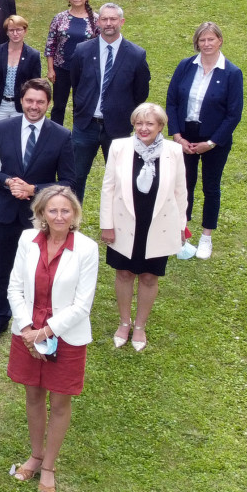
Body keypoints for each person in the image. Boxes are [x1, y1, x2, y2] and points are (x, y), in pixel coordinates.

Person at [6, 185, 99, 492]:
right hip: (27, 332)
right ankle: (35, 454)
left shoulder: (87, 249)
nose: (59, 216)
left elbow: (82, 305)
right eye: (53, 210)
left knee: (59, 402)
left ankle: (49, 466)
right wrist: (27, 328)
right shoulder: (26, 241)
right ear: (42, 213)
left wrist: (44, 332)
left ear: (74, 214)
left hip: (66, 337)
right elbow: (14, 288)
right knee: (33, 396)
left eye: (66, 210)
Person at [0, 78, 76, 344]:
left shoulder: (61, 135)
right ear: (21, 101)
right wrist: (8, 182)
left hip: (39, 215)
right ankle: (0, 318)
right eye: (30, 101)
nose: (34, 106)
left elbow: (67, 181)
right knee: (4, 268)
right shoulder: (4, 128)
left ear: (48, 104)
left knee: (38, 270)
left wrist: (34, 189)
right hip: (6, 211)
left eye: (40, 102)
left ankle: (37, 320)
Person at [100, 103, 187, 352]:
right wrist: (107, 225)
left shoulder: (174, 151)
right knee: (124, 273)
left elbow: (181, 192)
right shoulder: (119, 147)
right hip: (124, 222)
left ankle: (140, 326)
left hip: (158, 224)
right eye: (139, 123)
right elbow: (108, 188)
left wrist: (181, 226)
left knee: (149, 277)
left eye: (150, 123)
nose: (143, 128)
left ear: (161, 126)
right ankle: (124, 322)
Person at [165, 22, 243, 260]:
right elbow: (172, 101)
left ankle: (206, 237)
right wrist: (177, 136)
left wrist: (211, 143)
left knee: (211, 187)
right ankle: (181, 236)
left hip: (214, 141)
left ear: (220, 41)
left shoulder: (231, 73)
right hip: (185, 137)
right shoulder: (186, 66)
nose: (206, 44)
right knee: (183, 186)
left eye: (211, 39)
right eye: (202, 40)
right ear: (196, 42)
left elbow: (233, 114)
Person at [68, 3, 150, 201]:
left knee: (120, 177)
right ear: (98, 22)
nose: (108, 23)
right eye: (104, 19)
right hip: (85, 125)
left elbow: (141, 92)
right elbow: (76, 84)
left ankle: (117, 223)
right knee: (75, 176)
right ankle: (71, 224)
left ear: (121, 21)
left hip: (118, 128)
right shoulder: (83, 50)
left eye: (113, 19)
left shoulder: (136, 55)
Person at [44, 0, 99, 126]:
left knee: (79, 105)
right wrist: (50, 69)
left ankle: (78, 138)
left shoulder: (96, 19)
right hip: (61, 68)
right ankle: (55, 135)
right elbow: (51, 44)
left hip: (85, 70)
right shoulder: (59, 18)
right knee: (58, 106)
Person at [0, 15, 42, 137]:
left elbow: (35, 85)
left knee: (18, 140)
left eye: (19, 29)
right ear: (7, 32)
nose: (15, 33)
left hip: (20, 106)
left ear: (25, 31)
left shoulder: (33, 55)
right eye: (11, 30)